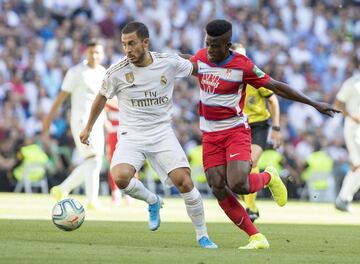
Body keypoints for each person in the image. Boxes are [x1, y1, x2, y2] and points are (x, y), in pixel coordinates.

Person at [189, 19, 339, 249]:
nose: (210, 50)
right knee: (218, 186)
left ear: (227, 44)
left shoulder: (243, 65)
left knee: (238, 183)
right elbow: (179, 61)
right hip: (210, 134)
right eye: (207, 44)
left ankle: (269, 177)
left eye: (215, 45)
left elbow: (276, 87)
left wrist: (313, 102)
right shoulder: (200, 58)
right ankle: (256, 237)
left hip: (235, 131)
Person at [79, 22, 217, 249]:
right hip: (131, 134)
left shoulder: (168, 62)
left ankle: (202, 235)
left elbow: (196, 67)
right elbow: (101, 98)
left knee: (184, 182)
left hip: (161, 133)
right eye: (124, 45)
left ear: (145, 43)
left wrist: (224, 74)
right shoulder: (117, 71)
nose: (127, 49)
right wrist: (88, 127)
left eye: (132, 43)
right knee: (120, 177)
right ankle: (152, 200)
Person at [43, 39, 106, 209]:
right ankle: (92, 201)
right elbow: (61, 98)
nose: (94, 55)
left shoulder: (103, 73)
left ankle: (62, 189)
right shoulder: (76, 72)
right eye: (92, 52)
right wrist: (48, 119)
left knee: (95, 161)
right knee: (93, 159)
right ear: (86, 53)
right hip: (81, 120)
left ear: (102, 54)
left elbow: (105, 100)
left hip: (99, 122)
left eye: (98, 52)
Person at [233, 43, 282, 222]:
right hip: (236, 126)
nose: (241, 60)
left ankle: (250, 207)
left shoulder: (254, 75)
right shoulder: (225, 77)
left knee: (249, 162)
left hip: (257, 126)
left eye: (243, 56)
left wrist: (276, 128)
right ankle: (252, 203)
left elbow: (273, 100)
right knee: (235, 172)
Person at [334, 59, 360, 212]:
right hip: (353, 128)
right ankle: (343, 198)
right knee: (357, 164)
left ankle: (345, 198)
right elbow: (338, 103)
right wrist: (352, 116)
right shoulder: (353, 83)